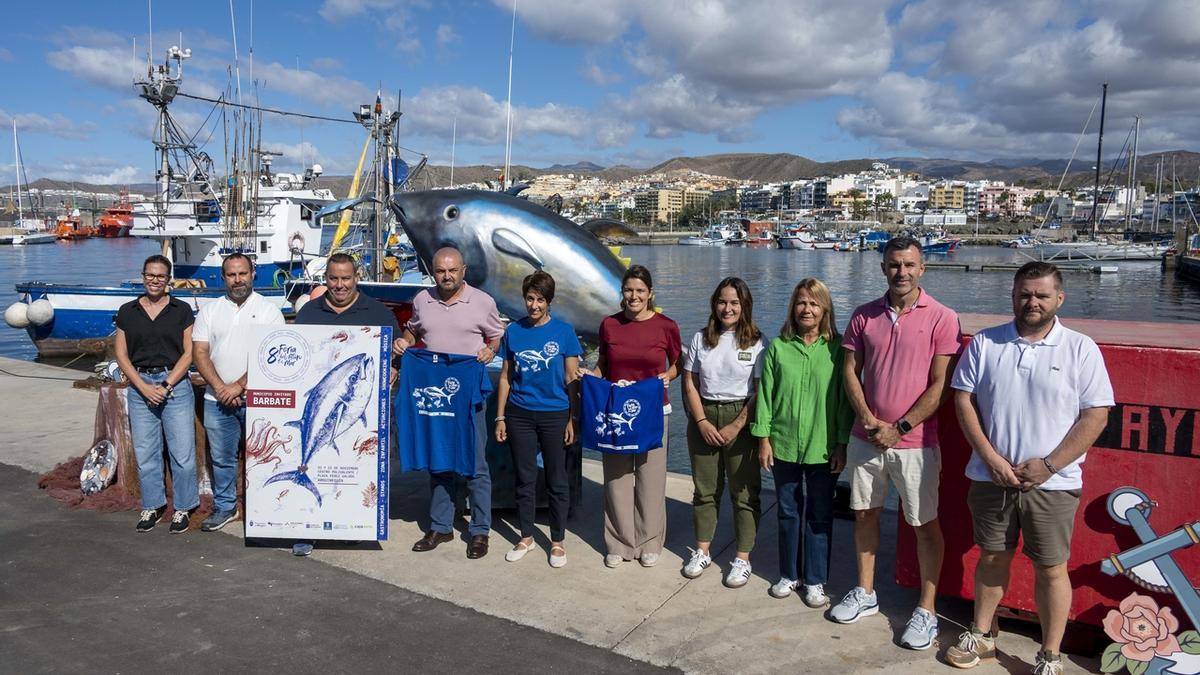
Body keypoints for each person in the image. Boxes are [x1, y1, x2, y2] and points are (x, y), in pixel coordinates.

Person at [945, 262, 1112, 675]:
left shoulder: (1080, 348)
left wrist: (1050, 466)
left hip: (1053, 485)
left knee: (1051, 568)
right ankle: (982, 636)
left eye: (1041, 294)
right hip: (991, 477)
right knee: (991, 558)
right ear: (1013, 296)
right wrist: (991, 459)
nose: (1032, 301)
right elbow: (963, 401)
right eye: (1024, 294)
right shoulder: (986, 343)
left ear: (1059, 298)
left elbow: (1097, 415)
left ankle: (1050, 656)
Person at [831, 236, 961, 652]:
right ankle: (866, 592)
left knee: (924, 524)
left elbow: (941, 385)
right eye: (893, 265)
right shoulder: (864, 316)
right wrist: (869, 420)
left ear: (922, 268)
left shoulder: (942, 317)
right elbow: (850, 372)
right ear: (882, 267)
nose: (900, 272)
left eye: (908, 265)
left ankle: (926, 609)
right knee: (865, 514)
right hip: (866, 438)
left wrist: (899, 426)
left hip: (917, 443)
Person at [394, 246, 504, 559]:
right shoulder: (422, 300)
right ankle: (441, 525)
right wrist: (405, 341)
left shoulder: (482, 302)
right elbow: (413, 330)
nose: (446, 276)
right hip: (434, 390)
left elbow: (496, 336)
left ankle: (480, 530)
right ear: (433, 271)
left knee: (475, 463)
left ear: (463, 270)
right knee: (439, 460)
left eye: (452, 270)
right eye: (441, 271)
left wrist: (490, 350)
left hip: (467, 392)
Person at [753, 278, 852, 607]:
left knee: (820, 513)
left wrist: (841, 443)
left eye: (814, 303)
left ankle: (815, 579)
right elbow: (765, 396)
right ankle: (788, 573)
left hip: (823, 447)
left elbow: (843, 400)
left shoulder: (837, 349)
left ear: (825, 309)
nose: (807, 309)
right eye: (801, 302)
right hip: (783, 444)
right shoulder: (778, 348)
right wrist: (763, 438)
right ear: (793, 307)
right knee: (788, 510)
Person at [293, 252, 400, 556]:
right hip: (325, 411)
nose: (339, 285)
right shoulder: (309, 312)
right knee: (318, 465)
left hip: (361, 412)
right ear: (325, 279)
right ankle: (306, 527)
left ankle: (353, 523)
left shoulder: (378, 313)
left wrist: (395, 365)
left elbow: (396, 350)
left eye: (345, 278)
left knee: (355, 469)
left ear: (356, 278)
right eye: (333, 279)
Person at [592, 264, 681, 568]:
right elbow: (603, 362)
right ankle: (618, 542)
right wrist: (590, 378)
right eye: (629, 290)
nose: (634, 296)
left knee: (650, 478)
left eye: (640, 291)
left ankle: (649, 541)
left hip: (654, 409)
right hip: (616, 411)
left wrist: (667, 376)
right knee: (616, 478)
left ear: (650, 293)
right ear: (622, 293)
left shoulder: (666, 325)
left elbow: (678, 364)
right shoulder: (609, 325)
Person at [680, 277, 765, 588]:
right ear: (714, 304)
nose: (727, 308)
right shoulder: (701, 339)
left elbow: (760, 391)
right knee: (705, 490)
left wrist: (737, 424)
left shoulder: (757, 341)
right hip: (705, 414)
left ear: (744, 307)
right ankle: (702, 550)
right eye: (722, 301)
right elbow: (689, 381)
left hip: (741, 415)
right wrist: (701, 420)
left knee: (744, 493)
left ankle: (742, 558)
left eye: (734, 303)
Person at [494, 271, 582, 568]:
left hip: (555, 414)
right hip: (519, 413)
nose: (534, 305)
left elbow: (572, 378)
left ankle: (557, 541)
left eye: (540, 300)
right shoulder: (514, 332)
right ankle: (527, 536)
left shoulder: (564, 332)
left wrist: (573, 418)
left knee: (557, 480)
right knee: (525, 478)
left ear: (549, 301)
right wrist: (500, 417)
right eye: (530, 299)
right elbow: (506, 377)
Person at [192, 253, 284, 532]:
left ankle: (267, 508)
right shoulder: (209, 311)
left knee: (265, 456)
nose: (238, 280)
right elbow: (200, 352)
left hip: (259, 399)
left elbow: (273, 354)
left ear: (253, 274)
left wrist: (239, 385)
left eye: (242, 273)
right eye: (231, 275)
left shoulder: (270, 311)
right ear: (223, 277)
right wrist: (221, 388)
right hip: (216, 399)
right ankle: (226, 507)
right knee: (222, 458)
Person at [114, 254, 198, 534]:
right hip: (140, 386)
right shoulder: (127, 311)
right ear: (142, 276)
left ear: (168, 280)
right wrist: (142, 385)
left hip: (174, 385)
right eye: (150, 275)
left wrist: (165, 385)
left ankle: (183, 507)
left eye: (160, 276)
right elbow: (121, 354)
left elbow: (189, 354)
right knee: (146, 452)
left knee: (182, 453)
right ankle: (152, 504)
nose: (155, 280)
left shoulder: (181, 310)